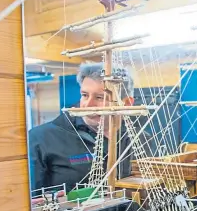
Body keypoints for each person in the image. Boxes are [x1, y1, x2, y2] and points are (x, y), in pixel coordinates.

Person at [29, 62, 145, 192]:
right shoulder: (41, 139)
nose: (88, 104)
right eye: (84, 95)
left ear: (127, 103)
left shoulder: (141, 139)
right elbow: (32, 201)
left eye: (100, 97)